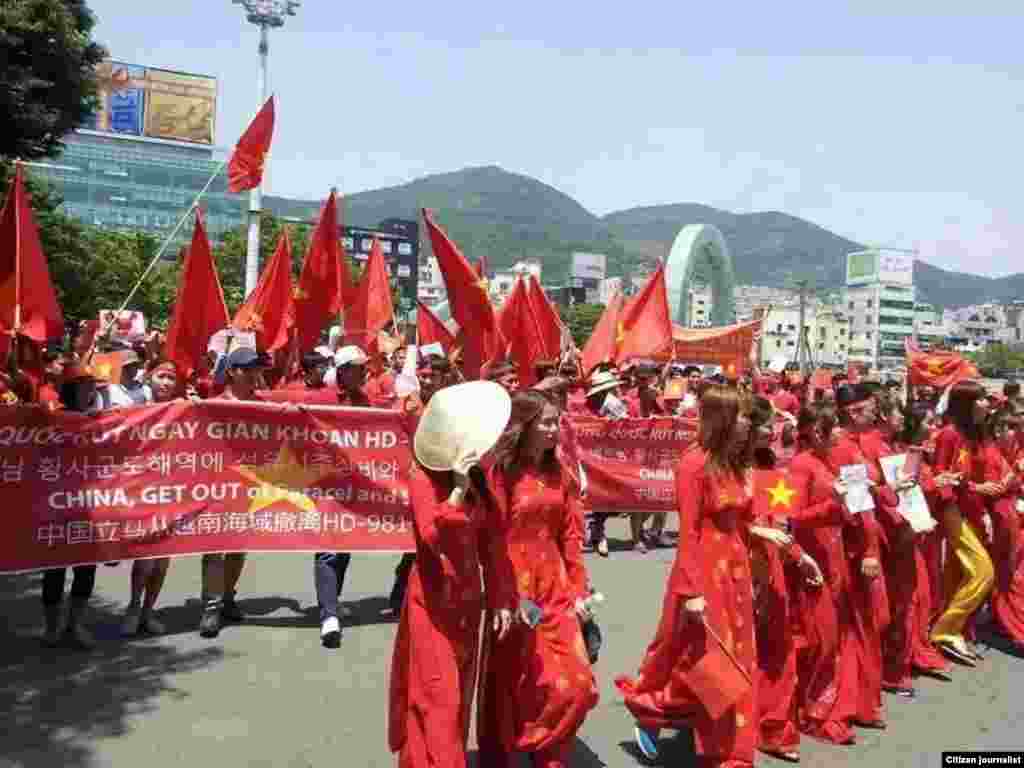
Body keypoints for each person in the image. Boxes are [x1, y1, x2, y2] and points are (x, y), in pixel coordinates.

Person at [617, 386, 787, 767]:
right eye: (743, 416)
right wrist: (691, 590)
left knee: (731, 659)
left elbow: (741, 519)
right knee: (713, 661)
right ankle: (711, 744)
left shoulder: (734, 461)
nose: (749, 424)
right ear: (723, 419)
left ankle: (680, 720)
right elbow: (689, 532)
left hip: (737, 570)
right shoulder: (693, 464)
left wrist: (761, 536)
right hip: (703, 571)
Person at [388, 381, 514, 768]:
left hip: (468, 605)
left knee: (456, 701)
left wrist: (502, 600)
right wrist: (456, 492)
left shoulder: (483, 480)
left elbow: (493, 548)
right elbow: (430, 536)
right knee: (437, 700)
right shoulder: (421, 478)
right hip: (431, 604)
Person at [478, 390, 598, 768]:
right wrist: (500, 595)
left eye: (556, 421)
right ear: (524, 425)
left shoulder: (558, 471)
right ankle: (519, 751)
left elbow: (571, 536)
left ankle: (544, 746)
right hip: (516, 590)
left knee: (577, 684)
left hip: (556, 587)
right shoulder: (500, 471)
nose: (553, 429)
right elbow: (490, 537)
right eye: (546, 422)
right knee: (521, 681)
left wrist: (580, 589)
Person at [198, 347, 270, 638]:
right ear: (231, 372)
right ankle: (211, 608)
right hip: (217, 486)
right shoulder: (212, 406)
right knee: (214, 550)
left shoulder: (264, 406)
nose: (255, 374)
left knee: (238, 549)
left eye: (257, 369)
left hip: (248, 488)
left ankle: (228, 598)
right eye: (248, 369)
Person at [316, 345, 386, 647]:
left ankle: (332, 601)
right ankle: (328, 615)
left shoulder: (365, 401)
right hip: (323, 487)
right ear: (343, 370)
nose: (365, 372)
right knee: (328, 548)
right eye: (359, 368)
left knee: (344, 546)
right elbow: (275, 404)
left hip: (354, 488)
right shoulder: (320, 399)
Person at [930, 381, 996, 665]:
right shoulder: (949, 434)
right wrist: (952, 508)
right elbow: (939, 474)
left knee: (959, 575)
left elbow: (967, 480)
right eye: (981, 399)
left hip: (966, 510)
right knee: (984, 571)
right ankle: (945, 630)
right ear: (967, 403)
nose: (987, 404)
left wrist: (978, 505)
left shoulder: (971, 436)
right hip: (951, 511)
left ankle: (951, 630)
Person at [41, 362, 103, 649]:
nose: (90, 389)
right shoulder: (50, 420)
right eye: (83, 384)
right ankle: (52, 627)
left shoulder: (100, 420)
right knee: (54, 571)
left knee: (85, 571)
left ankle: (74, 625)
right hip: (55, 509)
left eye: (92, 384)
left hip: (88, 509)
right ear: (69, 389)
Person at [122, 360, 180, 636]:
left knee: (164, 558)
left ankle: (149, 611)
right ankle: (133, 607)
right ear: (149, 377)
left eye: (171, 378)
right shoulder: (135, 405)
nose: (166, 383)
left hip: (172, 490)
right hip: (143, 488)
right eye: (161, 376)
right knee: (145, 557)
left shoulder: (183, 408)